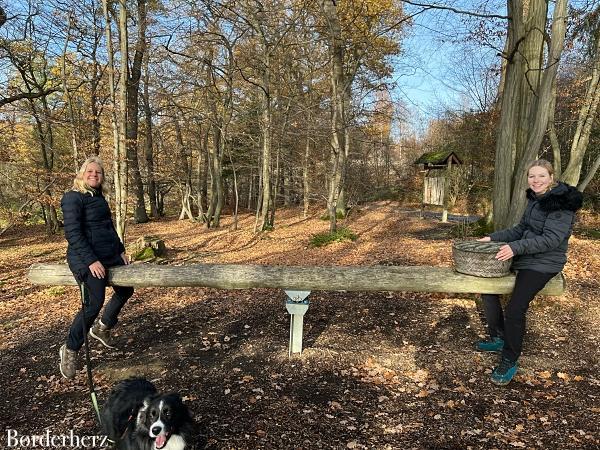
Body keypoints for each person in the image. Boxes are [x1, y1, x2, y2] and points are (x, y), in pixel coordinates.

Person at [476, 159, 583, 386]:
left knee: (515, 308)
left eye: (541, 176)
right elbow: (521, 229)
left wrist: (515, 247)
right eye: (532, 176)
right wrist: (493, 238)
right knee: (487, 286)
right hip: (526, 257)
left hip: (544, 263)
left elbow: (552, 240)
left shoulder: (561, 204)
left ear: (551, 178)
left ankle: (509, 359)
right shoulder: (535, 200)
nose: (536, 180)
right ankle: (498, 337)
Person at [59, 156, 134, 380]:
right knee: (93, 303)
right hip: (85, 258)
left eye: (98, 172)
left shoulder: (100, 198)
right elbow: (73, 233)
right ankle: (70, 349)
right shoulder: (72, 198)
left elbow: (108, 227)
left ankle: (102, 327)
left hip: (109, 255)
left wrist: (120, 249)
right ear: (82, 174)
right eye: (90, 171)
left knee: (126, 289)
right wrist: (91, 261)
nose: (94, 175)